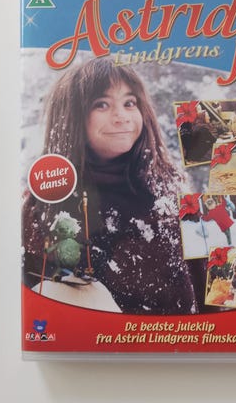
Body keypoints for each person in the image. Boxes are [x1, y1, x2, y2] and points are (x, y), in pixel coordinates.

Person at [23, 57, 198, 315]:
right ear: (72, 117)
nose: (121, 117)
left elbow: (207, 281)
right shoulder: (46, 202)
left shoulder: (169, 186)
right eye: (102, 104)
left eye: (129, 103)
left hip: (184, 337)